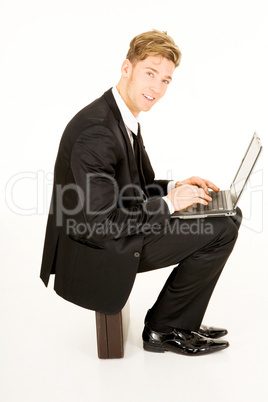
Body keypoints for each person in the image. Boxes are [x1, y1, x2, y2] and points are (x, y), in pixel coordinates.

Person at [40, 30, 242, 356]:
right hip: (101, 246)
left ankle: (179, 321)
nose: (157, 88)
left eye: (165, 80)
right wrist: (169, 204)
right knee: (220, 229)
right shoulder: (97, 132)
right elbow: (105, 220)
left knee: (229, 214)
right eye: (150, 74)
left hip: (118, 228)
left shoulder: (122, 118)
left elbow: (133, 188)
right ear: (126, 68)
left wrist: (176, 187)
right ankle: (164, 329)